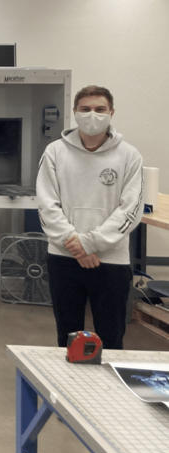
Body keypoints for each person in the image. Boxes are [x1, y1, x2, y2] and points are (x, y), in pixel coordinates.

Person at [37, 85, 143, 350]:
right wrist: (73, 242)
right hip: (64, 257)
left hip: (111, 261)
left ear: (111, 113)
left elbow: (131, 209)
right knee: (68, 338)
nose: (92, 115)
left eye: (99, 109)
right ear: (75, 112)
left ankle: (109, 392)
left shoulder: (129, 156)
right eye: (85, 109)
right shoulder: (55, 152)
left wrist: (90, 243)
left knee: (111, 336)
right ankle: (67, 390)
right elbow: (46, 203)